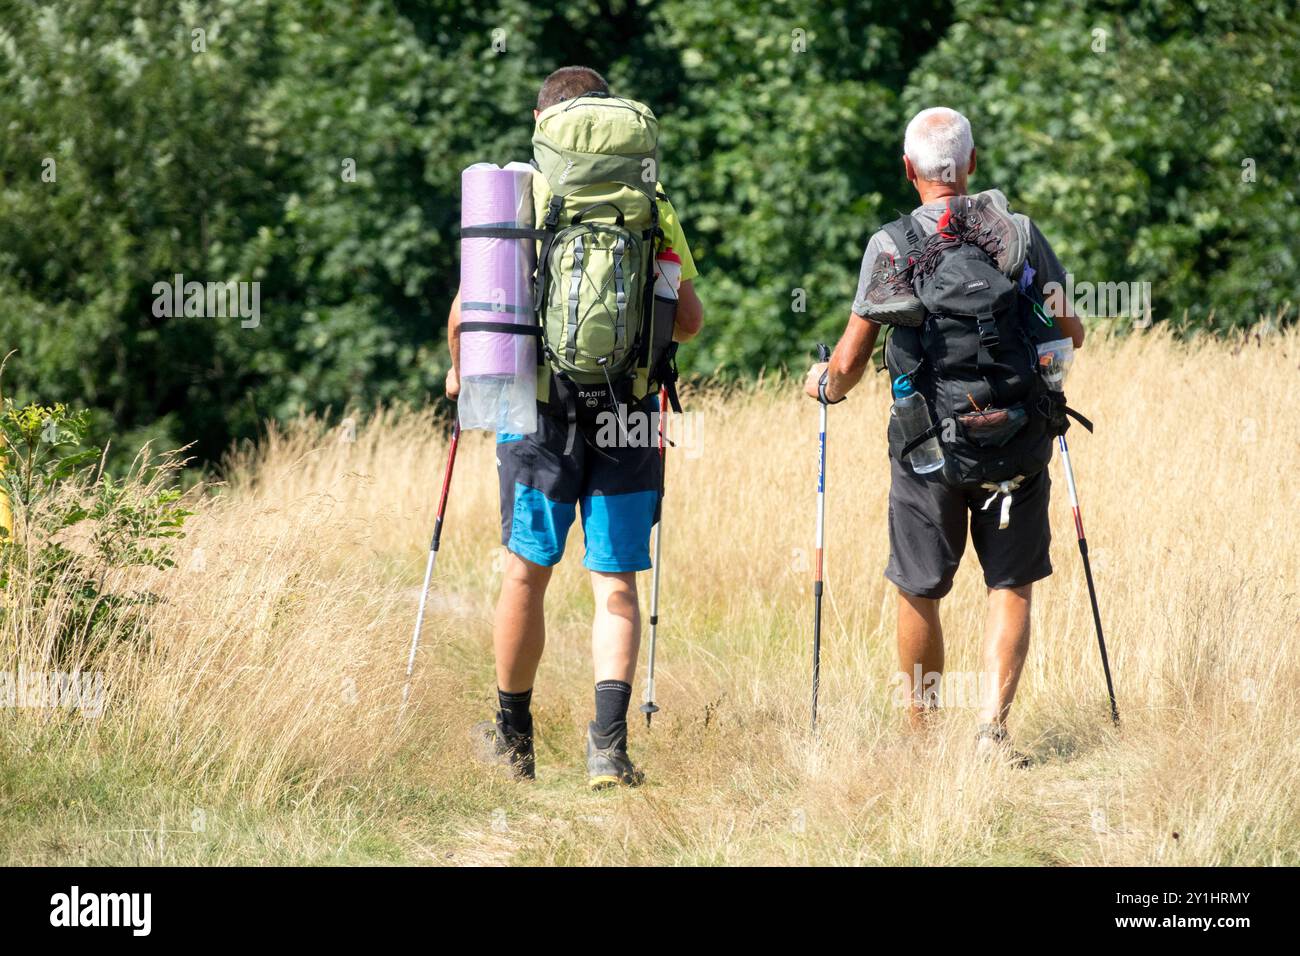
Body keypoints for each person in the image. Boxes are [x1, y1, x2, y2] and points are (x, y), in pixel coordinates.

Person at [445, 66, 703, 788]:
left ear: (543, 121)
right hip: (628, 411)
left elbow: (473, 315)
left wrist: (458, 370)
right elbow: (687, 318)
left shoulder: (520, 196)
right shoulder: (651, 202)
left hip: (538, 415)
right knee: (614, 583)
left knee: (526, 575)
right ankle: (608, 749)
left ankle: (513, 739)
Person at [803, 107, 1085, 762]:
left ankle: (923, 742)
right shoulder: (1018, 234)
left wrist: (820, 386)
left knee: (920, 588)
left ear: (908, 170)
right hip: (1016, 442)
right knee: (1009, 584)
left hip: (927, 449)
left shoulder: (894, 244)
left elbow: (846, 364)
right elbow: (1071, 329)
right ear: (973, 164)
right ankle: (991, 731)